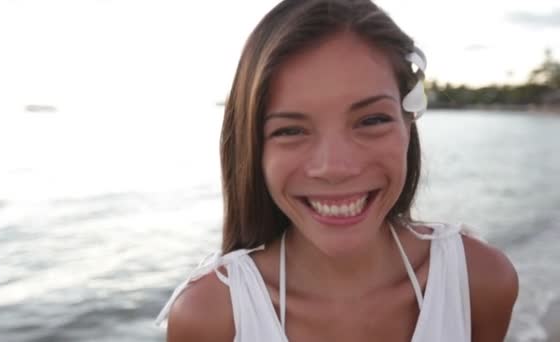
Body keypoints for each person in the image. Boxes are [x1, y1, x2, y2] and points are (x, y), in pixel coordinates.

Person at [156, 0, 519, 340]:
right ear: (253, 148)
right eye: (290, 130)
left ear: (408, 124)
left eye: (372, 120)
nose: (335, 168)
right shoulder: (210, 317)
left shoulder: (479, 281)